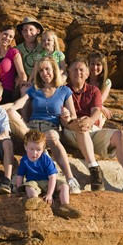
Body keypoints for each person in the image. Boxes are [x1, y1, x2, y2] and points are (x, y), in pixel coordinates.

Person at [62, 58, 123, 198]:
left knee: (120, 135)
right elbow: (64, 119)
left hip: (91, 129)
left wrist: (90, 121)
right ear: (69, 72)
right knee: (81, 128)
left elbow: (97, 111)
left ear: (87, 74)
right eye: (75, 70)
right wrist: (79, 123)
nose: (78, 72)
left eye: (81, 70)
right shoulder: (63, 90)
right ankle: (94, 170)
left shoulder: (93, 90)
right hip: (71, 130)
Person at [6, 57, 81, 195]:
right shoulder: (35, 90)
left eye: (47, 69)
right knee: (10, 112)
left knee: (52, 136)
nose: (44, 73)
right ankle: (39, 148)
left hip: (50, 129)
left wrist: (67, 115)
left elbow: (74, 117)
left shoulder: (64, 90)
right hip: (30, 130)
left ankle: (70, 179)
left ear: (54, 70)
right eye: (41, 70)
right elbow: (18, 104)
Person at [16, 130, 81, 219]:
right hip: (34, 182)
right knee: (28, 187)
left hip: (48, 182)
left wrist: (50, 194)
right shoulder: (24, 160)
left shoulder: (46, 159)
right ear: (25, 147)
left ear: (43, 149)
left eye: (38, 150)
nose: (34, 153)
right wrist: (18, 189)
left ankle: (65, 205)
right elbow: (20, 176)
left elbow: (52, 177)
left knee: (64, 186)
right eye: (31, 149)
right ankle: (34, 200)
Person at [0, 25, 28, 104]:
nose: (7, 38)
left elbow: (22, 73)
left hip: (5, 90)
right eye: (5, 34)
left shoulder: (13, 52)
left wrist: (23, 83)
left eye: (10, 36)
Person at [87, 52, 113, 128]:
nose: (95, 67)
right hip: (82, 106)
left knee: (98, 116)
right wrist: (103, 108)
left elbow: (99, 101)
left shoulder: (106, 83)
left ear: (103, 67)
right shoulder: (83, 79)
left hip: (96, 108)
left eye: (98, 65)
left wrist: (101, 107)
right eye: (92, 64)